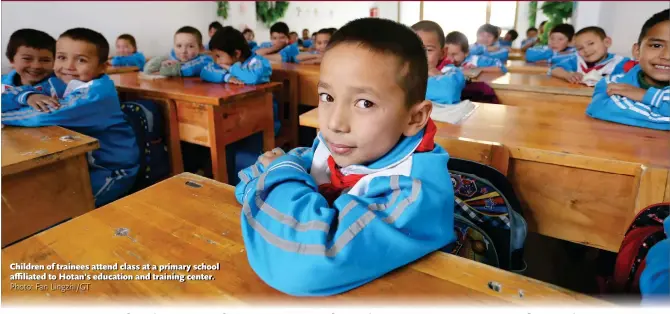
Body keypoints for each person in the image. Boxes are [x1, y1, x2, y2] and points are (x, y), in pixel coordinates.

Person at [234, 18, 456, 296]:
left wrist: (279, 171)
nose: (335, 123)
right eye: (327, 96)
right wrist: (279, 175)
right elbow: (245, 186)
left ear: (415, 117)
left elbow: (301, 263)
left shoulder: (412, 193)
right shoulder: (338, 148)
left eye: (364, 103)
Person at [2, 28, 139, 207]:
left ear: (102, 67)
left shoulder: (96, 94)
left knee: (64, 210)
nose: (68, 66)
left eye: (81, 60)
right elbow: (10, 95)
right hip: (81, 163)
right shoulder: (68, 82)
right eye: (61, 57)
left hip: (111, 170)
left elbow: (42, 116)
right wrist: (26, 96)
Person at [585, 9, 669, 131]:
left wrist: (647, 96)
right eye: (656, 45)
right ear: (637, 51)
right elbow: (603, 109)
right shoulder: (612, 83)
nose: (667, 56)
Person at [550, 26, 630, 84]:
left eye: (591, 43)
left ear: (607, 42)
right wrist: (567, 75)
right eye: (580, 48)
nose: (586, 50)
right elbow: (554, 69)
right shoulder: (577, 61)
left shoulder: (620, 62)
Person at [2, 29, 56, 95]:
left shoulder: (60, 88)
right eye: (27, 59)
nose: (36, 66)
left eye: (45, 60)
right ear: (12, 60)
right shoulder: (2, 83)